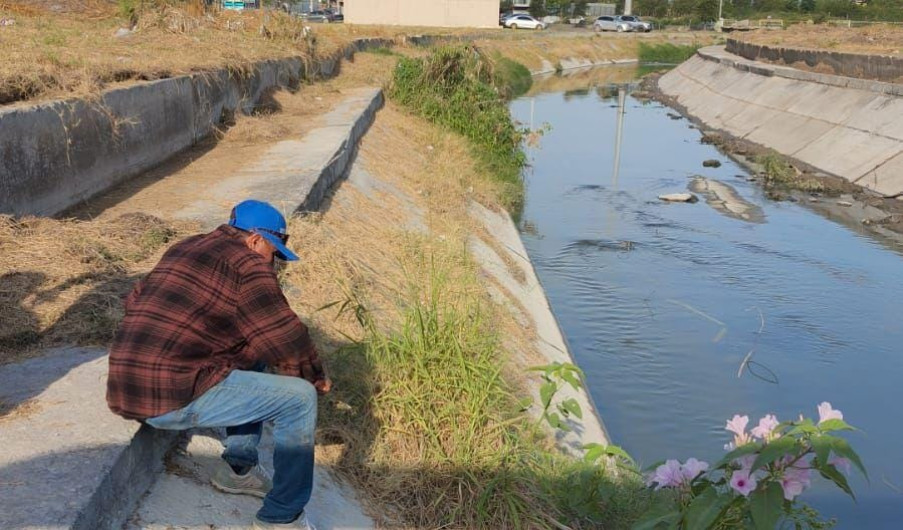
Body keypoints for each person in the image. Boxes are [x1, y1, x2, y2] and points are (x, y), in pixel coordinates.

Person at [107, 200, 331, 530]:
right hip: (167, 398)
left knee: (252, 351)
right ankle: (282, 517)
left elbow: (134, 301)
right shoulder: (248, 263)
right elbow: (284, 335)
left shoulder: (186, 247)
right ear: (256, 240)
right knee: (299, 400)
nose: (274, 265)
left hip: (126, 385)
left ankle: (238, 469)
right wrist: (314, 375)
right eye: (274, 253)